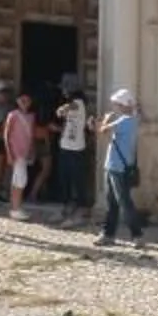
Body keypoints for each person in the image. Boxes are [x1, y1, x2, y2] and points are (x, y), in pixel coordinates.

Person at [95, 85, 145, 246]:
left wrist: (106, 119)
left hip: (117, 167)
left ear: (123, 105)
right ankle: (108, 234)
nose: (115, 107)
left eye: (117, 104)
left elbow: (102, 130)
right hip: (117, 166)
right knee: (113, 202)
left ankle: (137, 235)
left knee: (123, 202)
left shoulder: (124, 121)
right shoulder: (134, 120)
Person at [54, 82, 89, 217]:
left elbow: (70, 107)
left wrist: (62, 108)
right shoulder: (72, 106)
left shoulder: (78, 103)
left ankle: (82, 205)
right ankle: (67, 203)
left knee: (78, 178)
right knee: (65, 177)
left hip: (76, 148)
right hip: (65, 146)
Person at [4, 89, 37, 217]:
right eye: (22, 100)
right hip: (16, 151)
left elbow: (31, 135)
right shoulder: (13, 115)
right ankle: (16, 208)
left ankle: (16, 206)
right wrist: (9, 153)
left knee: (18, 179)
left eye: (27, 100)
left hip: (25, 152)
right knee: (20, 180)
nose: (24, 102)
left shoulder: (31, 116)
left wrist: (32, 150)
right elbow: (6, 134)